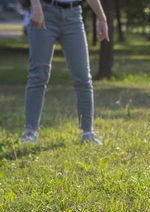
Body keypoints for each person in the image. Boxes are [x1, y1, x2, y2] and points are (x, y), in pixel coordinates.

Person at [23, 0, 109, 145]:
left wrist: (102, 17)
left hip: (73, 16)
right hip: (45, 11)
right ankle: (30, 132)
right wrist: (36, 7)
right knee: (38, 75)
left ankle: (87, 133)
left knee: (83, 77)